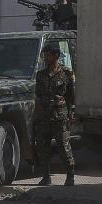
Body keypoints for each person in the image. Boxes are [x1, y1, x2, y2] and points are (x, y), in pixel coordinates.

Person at [34, 43, 76, 186]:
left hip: (60, 116)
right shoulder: (40, 75)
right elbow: (38, 95)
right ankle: (46, 176)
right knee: (42, 148)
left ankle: (70, 175)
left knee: (64, 147)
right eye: (45, 54)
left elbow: (71, 96)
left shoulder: (67, 73)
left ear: (56, 55)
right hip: (44, 117)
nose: (46, 57)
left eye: (48, 54)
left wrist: (71, 112)